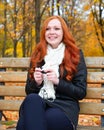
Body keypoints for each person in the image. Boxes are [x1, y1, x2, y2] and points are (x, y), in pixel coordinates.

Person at [16, 15, 87, 130]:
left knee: (24, 124)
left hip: (64, 107)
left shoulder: (75, 54)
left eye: (56, 29)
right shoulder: (38, 54)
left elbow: (81, 92)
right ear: (44, 33)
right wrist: (36, 82)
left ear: (64, 32)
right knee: (32, 99)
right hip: (40, 103)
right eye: (48, 29)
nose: (51, 32)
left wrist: (57, 82)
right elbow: (29, 91)